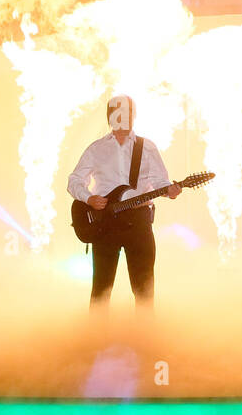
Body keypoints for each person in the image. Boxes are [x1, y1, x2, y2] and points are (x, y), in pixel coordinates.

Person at [67, 95, 180, 312]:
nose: (121, 118)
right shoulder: (97, 148)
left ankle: (145, 337)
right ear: (110, 116)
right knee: (101, 288)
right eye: (117, 113)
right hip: (104, 223)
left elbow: (160, 181)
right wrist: (89, 198)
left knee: (143, 287)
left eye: (126, 113)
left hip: (138, 222)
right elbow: (74, 180)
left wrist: (171, 191)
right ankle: (95, 337)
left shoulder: (146, 147)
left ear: (133, 115)